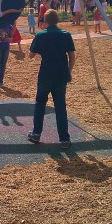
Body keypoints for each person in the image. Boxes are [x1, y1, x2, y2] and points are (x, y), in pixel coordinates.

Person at [28, 9, 76, 149]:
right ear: (57, 20)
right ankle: (64, 138)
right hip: (61, 74)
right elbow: (72, 56)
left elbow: (31, 55)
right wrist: (69, 71)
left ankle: (36, 133)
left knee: (40, 103)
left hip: (46, 73)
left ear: (45, 21)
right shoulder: (66, 35)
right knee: (60, 105)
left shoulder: (41, 35)